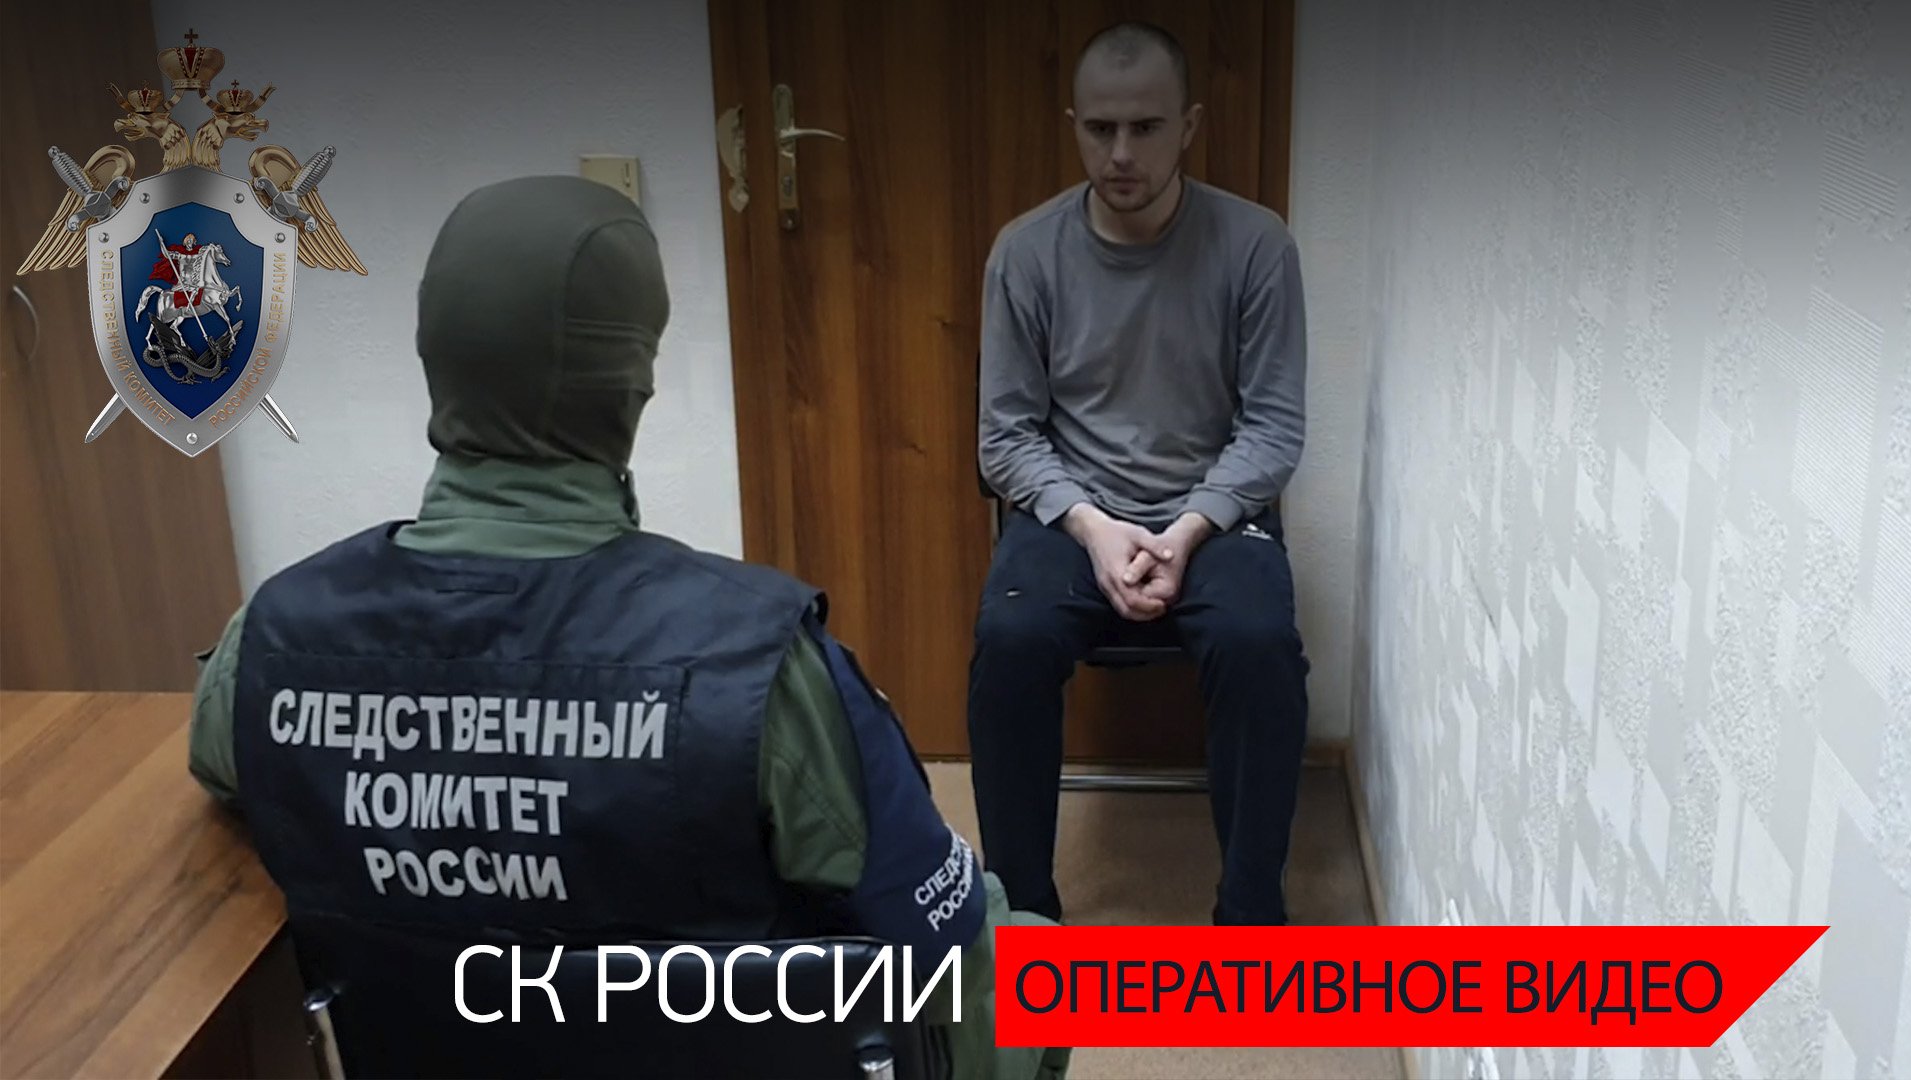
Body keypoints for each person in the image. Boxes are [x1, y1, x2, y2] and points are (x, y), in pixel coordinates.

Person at [186, 175, 1067, 1080]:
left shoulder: (271, 643)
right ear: (633, 387)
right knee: (1047, 962)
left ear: (435, 358)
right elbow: (945, 954)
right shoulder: (759, 670)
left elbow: (228, 780)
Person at [970, 21, 1311, 927]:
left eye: (1147, 128)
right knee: (1009, 644)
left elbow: (1274, 427)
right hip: (1075, 512)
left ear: (1189, 125)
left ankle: (1250, 924)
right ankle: (1023, 921)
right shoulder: (1025, 253)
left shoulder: (1257, 245)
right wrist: (1094, 526)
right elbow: (1005, 438)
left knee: (1260, 646)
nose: (1121, 153)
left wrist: (1187, 530)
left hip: (1213, 512)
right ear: (1074, 125)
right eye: (1101, 128)